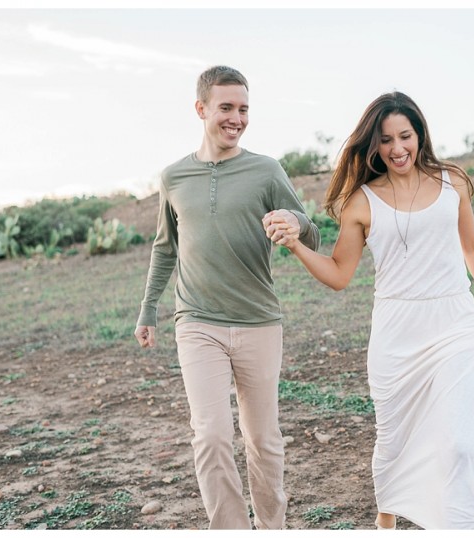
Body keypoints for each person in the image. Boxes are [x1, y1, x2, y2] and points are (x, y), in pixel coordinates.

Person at [263, 91, 474, 530]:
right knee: (394, 440)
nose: (398, 149)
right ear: (372, 145)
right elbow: (340, 273)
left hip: (453, 322)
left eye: (405, 136)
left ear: (420, 135)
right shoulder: (362, 202)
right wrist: (297, 246)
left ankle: (456, 524)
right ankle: (387, 519)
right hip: (397, 333)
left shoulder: (452, 182)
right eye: (386, 140)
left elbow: (472, 248)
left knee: (459, 442)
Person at [134, 65, 321, 530]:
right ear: (201, 109)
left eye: (243, 109)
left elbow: (313, 235)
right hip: (197, 321)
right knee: (212, 436)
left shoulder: (266, 170)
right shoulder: (174, 177)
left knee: (264, 441)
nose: (236, 118)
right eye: (226, 108)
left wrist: (298, 225)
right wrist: (148, 310)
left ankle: (272, 527)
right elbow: (165, 247)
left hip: (258, 321)